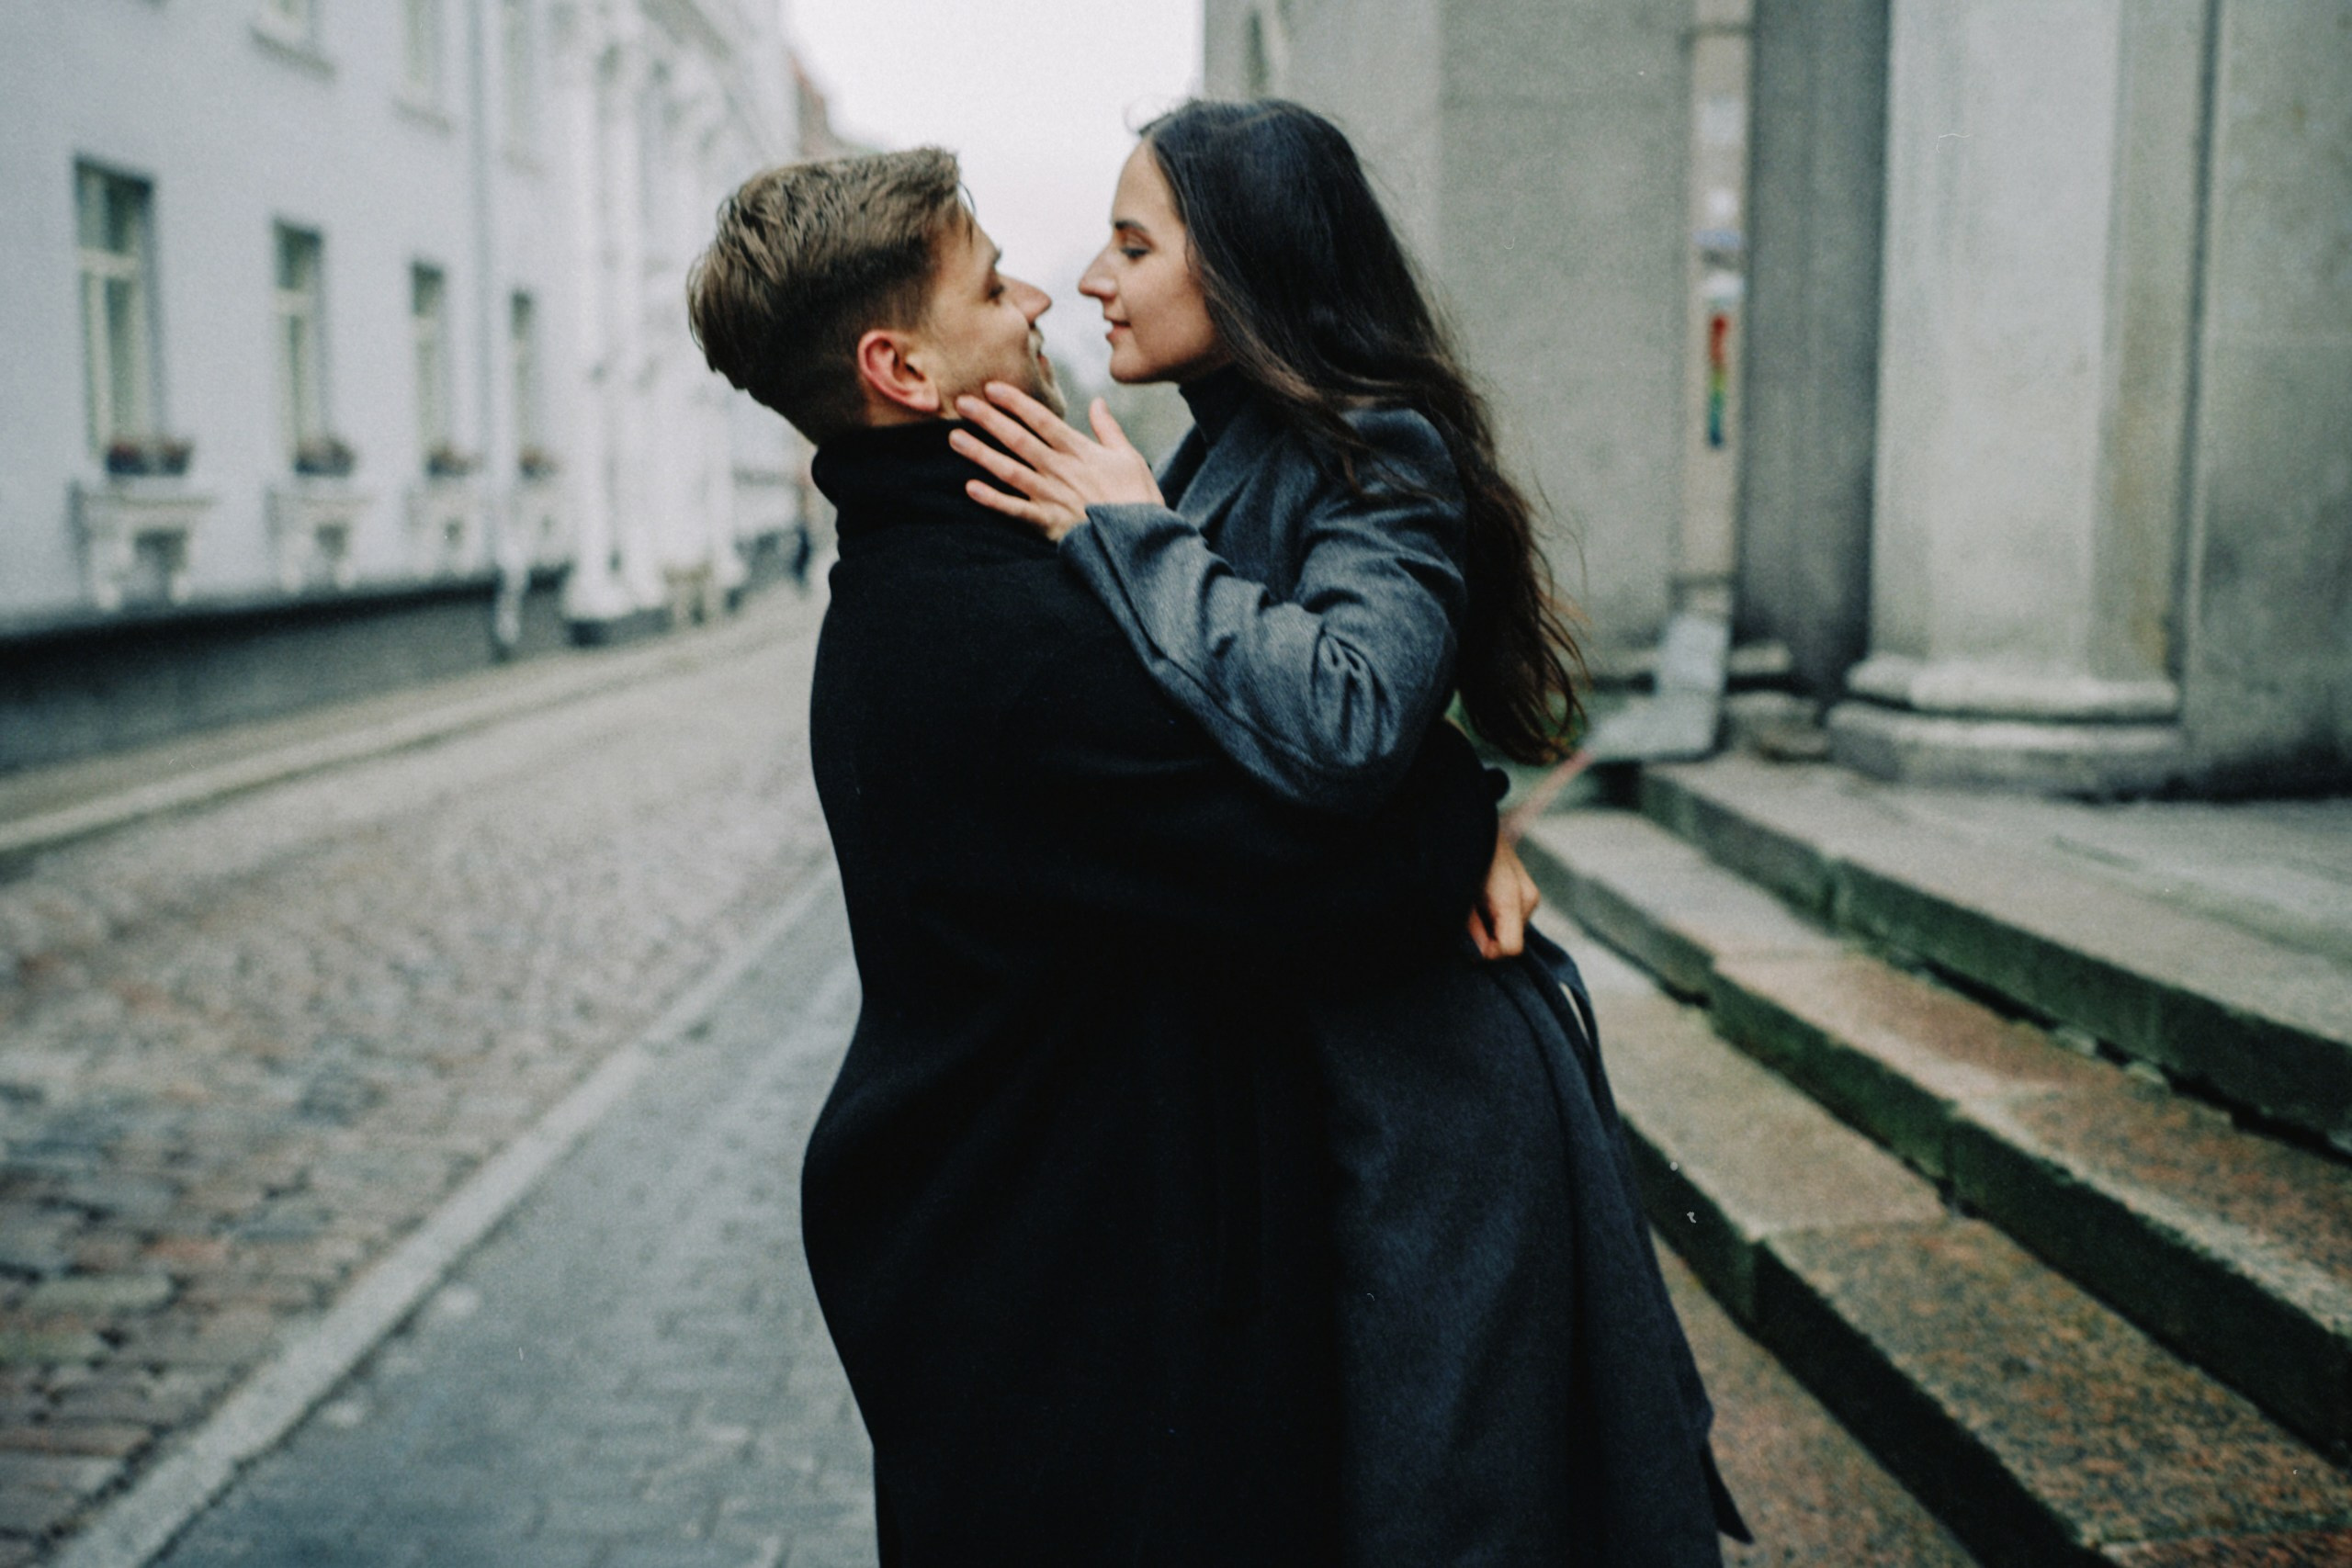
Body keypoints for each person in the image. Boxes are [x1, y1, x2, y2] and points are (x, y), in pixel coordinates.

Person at [948, 98, 1747, 1564]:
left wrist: (1131, 536)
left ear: (1245, 269)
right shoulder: (1207, 458)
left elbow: (1352, 705)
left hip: (1423, 1093)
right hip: (1307, 1071)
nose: (1097, 280)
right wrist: (1461, 809)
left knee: (1448, 1502)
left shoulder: (1378, 445)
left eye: (1134, 244)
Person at [686, 146, 1510, 1564]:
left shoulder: (943, 578)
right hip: (1061, 1306)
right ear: (905, 369)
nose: (1036, 303)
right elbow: (1320, 881)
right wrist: (1462, 810)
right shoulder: (993, 637)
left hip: (1024, 1264)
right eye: (990, 283)